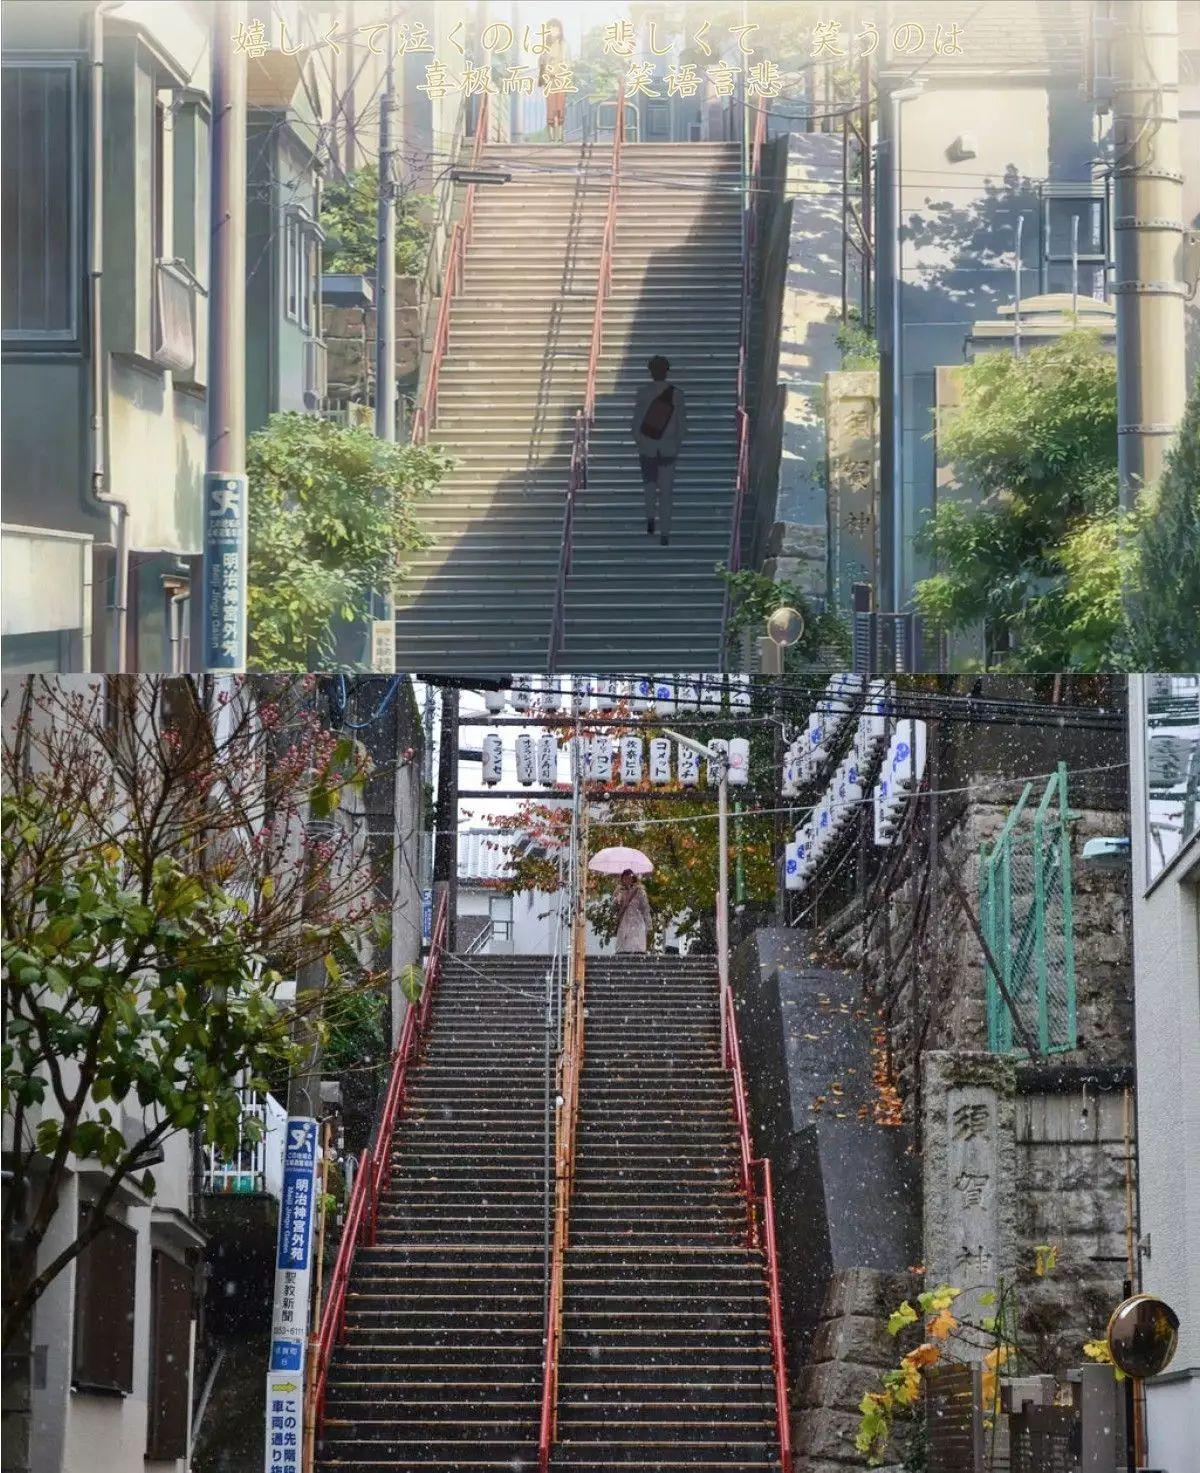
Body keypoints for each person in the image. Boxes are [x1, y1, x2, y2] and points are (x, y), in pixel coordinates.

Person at [631, 355, 688, 546]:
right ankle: (665, 532)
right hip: (668, 448)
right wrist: (676, 443)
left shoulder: (643, 393)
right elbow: (682, 424)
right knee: (666, 491)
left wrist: (640, 441)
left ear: (651, 371)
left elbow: (636, 422)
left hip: (648, 448)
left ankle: (650, 520)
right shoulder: (677, 394)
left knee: (649, 486)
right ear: (666, 371)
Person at [539, 18, 569, 143]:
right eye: (550, 29)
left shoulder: (564, 45)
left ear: (560, 30)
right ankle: (552, 137)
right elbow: (542, 62)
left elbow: (567, 62)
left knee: (560, 108)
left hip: (561, 79)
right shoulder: (545, 46)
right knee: (550, 108)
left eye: (555, 28)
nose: (553, 31)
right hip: (549, 81)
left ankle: (560, 136)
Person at [614, 869, 653, 953]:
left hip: (637, 922)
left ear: (633, 879)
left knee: (637, 945)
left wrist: (649, 924)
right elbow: (614, 907)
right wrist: (617, 899)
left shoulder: (639, 891)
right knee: (624, 946)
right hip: (624, 921)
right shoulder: (619, 891)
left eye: (629, 878)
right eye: (625, 878)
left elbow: (645, 908)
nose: (627, 880)